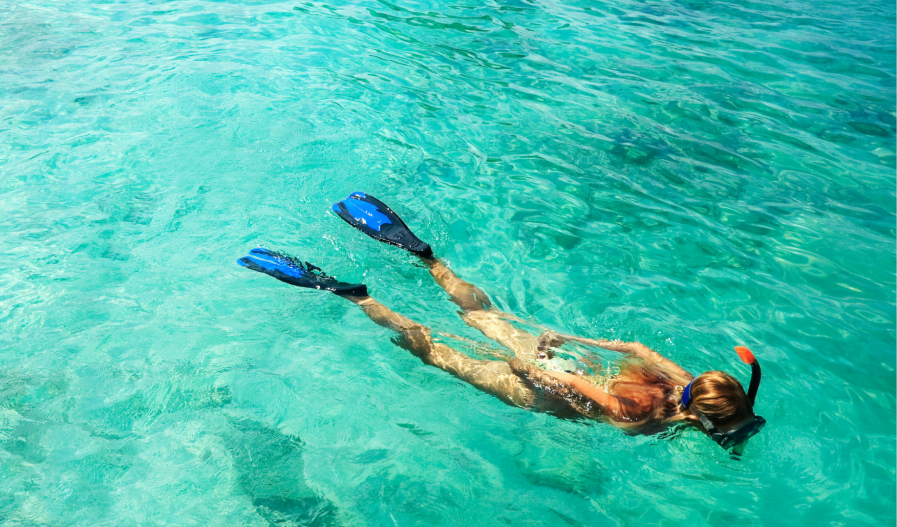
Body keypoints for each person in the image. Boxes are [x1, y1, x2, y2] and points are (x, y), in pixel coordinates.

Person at [238, 192, 766, 451]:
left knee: (479, 311)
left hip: (562, 352)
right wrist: (528, 370)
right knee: (432, 348)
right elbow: (576, 388)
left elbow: (631, 345)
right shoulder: (643, 417)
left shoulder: (684, 381)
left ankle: (427, 258)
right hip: (539, 383)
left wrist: (560, 341)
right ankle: (352, 295)